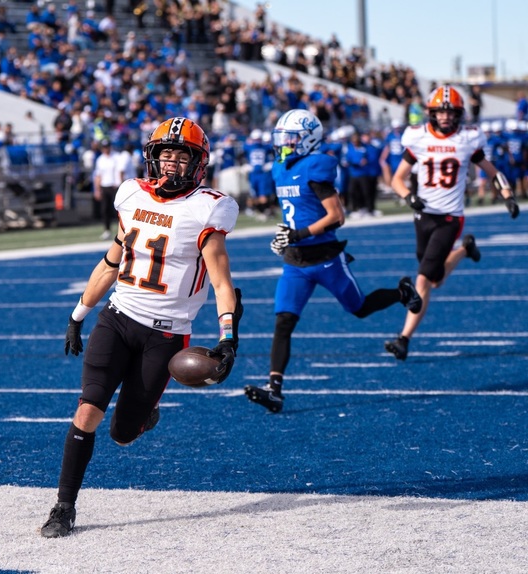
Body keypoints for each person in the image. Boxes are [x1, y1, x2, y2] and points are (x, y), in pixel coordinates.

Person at [40, 117, 242, 538]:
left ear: (197, 163)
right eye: (164, 155)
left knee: (122, 434)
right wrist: (78, 314)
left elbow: (222, 280)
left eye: (180, 156)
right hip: (117, 319)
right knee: (87, 411)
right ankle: (63, 506)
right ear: (152, 158)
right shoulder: (131, 195)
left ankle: (143, 415)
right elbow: (113, 261)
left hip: (167, 334)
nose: (170, 164)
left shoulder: (208, 207)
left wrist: (228, 338)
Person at [243, 110, 423, 414]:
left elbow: (337, 216)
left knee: (360, 308)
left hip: (326, 258)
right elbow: (293, 211)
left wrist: (297, 233)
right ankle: (274, 389)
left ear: (308, 139)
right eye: (282, 138)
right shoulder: (279, 168)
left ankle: (402, 292)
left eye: (291, 138)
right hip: (296, 261)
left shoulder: (317, 165)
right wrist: (286, 234)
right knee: (283, 322)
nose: (284, 143)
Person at [384, 86, 520, 361]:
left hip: (450, 218)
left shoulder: (467, 140)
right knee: (434, 281)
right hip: (422, 215)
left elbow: (493, 172)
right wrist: (408, 197)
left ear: (459, 114)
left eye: (450, 111)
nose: (445, 116)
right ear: (431, 113)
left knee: (422, 278)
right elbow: (396, 179)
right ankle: (464, 250)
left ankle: (404, 338)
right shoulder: (418, 138)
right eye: (440, 111)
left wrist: (508, 195)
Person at [92, 138, 121, 240]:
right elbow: (98, 175)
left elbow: (120, 172)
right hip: (105, 186)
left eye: (107, 147)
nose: (106, 149)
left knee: (118, 210)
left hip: (114, 186)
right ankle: (107, 230)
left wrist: (119, 183)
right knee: (105, 210)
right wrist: (97, 189)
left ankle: (121, 230)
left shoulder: (116, 157)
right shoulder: (100, 160)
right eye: (104, 147)